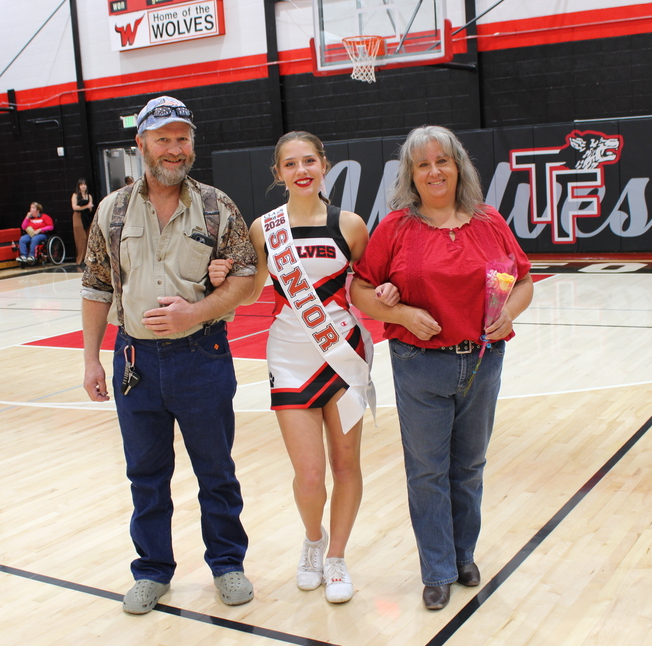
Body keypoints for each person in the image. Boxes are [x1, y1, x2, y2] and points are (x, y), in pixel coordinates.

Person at [81, 94, 257, 615]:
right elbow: (95, 285)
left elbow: (246, 279)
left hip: (202, 355)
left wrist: (196, 313)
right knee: (146, 475)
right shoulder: (112, 210)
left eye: (182, 138)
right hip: (135, 362)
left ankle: (227, 564)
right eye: (163, 138)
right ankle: (153, 572)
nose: (174, 148)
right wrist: (91, 359)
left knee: (215, 471)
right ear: (141, 144)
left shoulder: (217, 205)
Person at [350, 125, 534, 611]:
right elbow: (360, 291)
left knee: (469, 467)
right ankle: (436, 568)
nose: (434, 171)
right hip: (419, 365)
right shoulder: (394, 227)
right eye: (423, 164)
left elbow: (523, 282)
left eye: (442, 161)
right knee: (427, 471)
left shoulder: (490, 221)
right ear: (411, 174)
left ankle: (463, 554)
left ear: (459, 167)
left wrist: (509, 313)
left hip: (481, 361)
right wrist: (402, 313)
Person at [210, 131, 391, 604]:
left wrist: (388, 296)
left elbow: (364, 288)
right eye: (290, 164)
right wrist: (225, 280)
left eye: (309, 161)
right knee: (310, 475)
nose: (301, 170)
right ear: (278, 173)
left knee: (345, 464)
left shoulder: (350, 225)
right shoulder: (263, 228)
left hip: (343, 356)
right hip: (289, 355)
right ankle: (312, 541)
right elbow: (252, 292)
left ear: (324, 165)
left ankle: (336, 557)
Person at [71, 179, 95, 266]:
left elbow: (90, 208)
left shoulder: (89, 196)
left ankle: (87, 258)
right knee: (81, 239)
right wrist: (86, 206)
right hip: (78, 217)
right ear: (79, 186)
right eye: (81, 185)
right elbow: (75, 207)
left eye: (84, 184)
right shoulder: (75, 195)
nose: (83, 186)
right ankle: (80, 259)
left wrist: (89, 207)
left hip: (87, 217)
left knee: (89, 238)